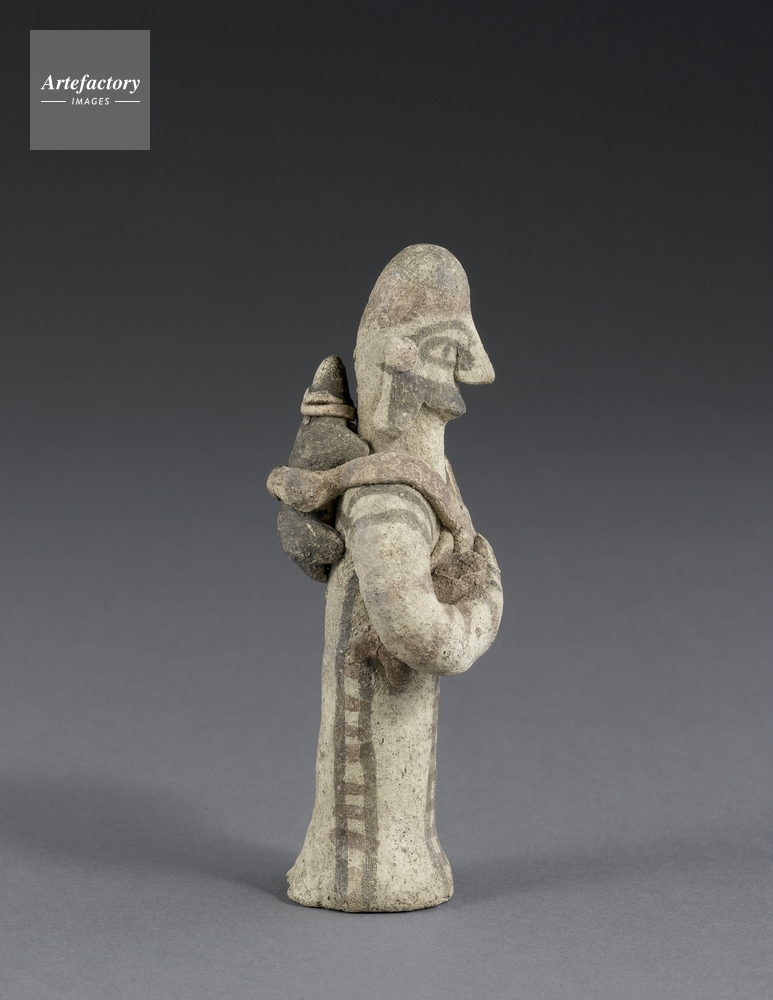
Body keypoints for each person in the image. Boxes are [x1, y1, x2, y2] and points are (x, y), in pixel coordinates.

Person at [269, 244, 503, 911]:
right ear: (402, 359)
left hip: (392, 717)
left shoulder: (417, 484)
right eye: (452, 349)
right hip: (374, 738)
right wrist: (486, 592)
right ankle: (365, 876)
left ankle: (388, 863)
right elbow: (426, 639)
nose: (478, 370)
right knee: (373, 793)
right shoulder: (388, 505)